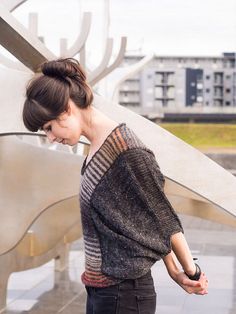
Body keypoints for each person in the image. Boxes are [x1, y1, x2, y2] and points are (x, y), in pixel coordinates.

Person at [22, 58, 208, 314]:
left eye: (49, 128)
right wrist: (173, 269)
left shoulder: (125, 150)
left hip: (124, 294)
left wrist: (189, 271)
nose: (51, 138)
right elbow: (143, 215)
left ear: (66, 109)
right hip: (106, 291)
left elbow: (162, 215)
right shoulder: (96, 148)